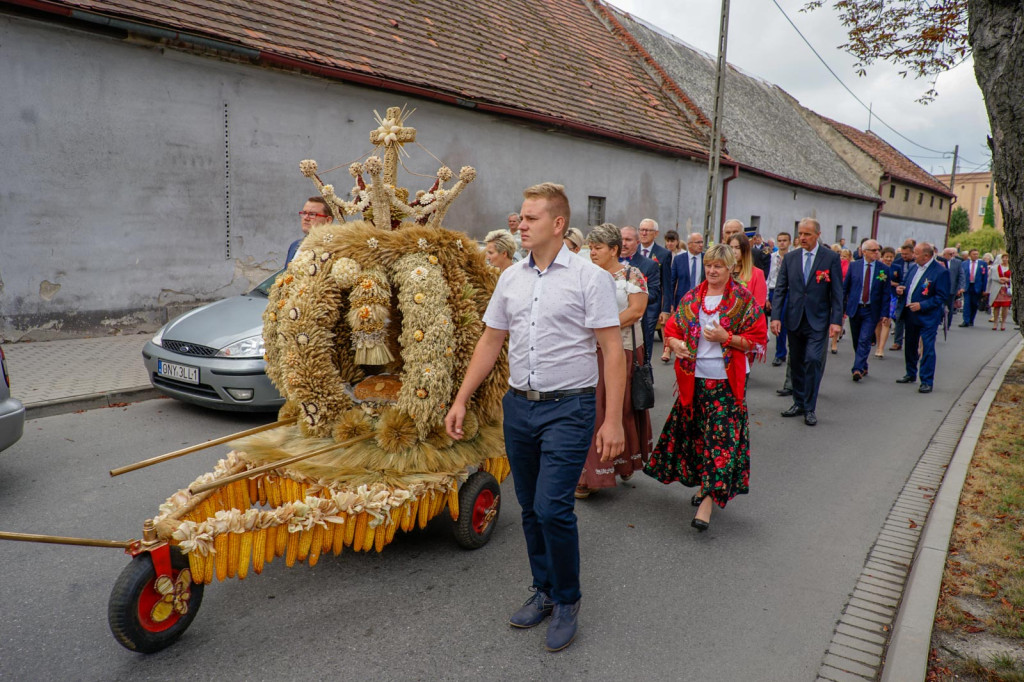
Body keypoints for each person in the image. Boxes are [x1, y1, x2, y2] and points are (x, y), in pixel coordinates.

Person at [444, 183, 625, 653]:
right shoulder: (512, 279)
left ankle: (568, 599)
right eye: (519, 218)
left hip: (570, 407)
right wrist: (462, 398)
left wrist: (613, 421)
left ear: (558, 224)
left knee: (552, 508)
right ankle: (544, 589)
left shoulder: (590, 279)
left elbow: (612, 349)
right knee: (528, 507)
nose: (519, 225)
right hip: (518, 405)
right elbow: (490, 341)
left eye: (529, 219)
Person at [645, 244, 767, 532]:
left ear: (730, 269)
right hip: (694, 380)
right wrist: (675, 344)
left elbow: (757, 338)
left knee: (721, 443)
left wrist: (728, 337)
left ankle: (707, 503)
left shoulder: (743, 298)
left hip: (726, 384)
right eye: (709, 266)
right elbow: (673, 329)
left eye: (719, 267)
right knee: (700, 438)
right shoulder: (693, 296)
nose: (712, 271)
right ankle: (705, 486)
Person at [575, 224, 652, 498]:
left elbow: (636, 311)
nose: (592, 252)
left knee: (621, 409)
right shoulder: (587, 275)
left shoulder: (632, 274)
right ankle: (592, 474)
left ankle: (621, 461)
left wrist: (601, 326)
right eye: (590, 247)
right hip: (592, 351)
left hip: (625, 349)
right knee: (596, 410)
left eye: (598, 248)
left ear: (614, 250)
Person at [770, 218, 844, 427]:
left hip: (818, 320)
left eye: (807, 234)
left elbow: (837, 291)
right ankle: (798, 402)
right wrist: (776, 317)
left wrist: (836, 320)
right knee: (796, 362)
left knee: (812, 360)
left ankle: (810, 407)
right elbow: (781, 289)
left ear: (817, 235)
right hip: (794, 319)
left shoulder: (829, 258)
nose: (802, 238)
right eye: (800, 234)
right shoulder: (791, 258)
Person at [895, 242, 950, 393]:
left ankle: (926, 380)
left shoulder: (940, 272)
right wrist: (901, 290)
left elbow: (941, 296)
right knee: (910, 345)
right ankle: (910, 372)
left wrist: (922, 305)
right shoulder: (914, 268)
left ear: (926, 256)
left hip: (928, 316)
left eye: (916, 253)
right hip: (910, 313)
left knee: (927, 347)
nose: (913, 256)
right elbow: (907, 285)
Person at [842, 240, 888, 381]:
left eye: (878, 250)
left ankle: (857, 368)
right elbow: (846, 288)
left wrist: (885, 313)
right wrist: (841, 308)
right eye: (873, 250)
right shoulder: (854, 266)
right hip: (855, 308)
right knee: (856, 339)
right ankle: (863, 364)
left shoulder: (883, 269)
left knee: (864, 339)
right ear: (864, 252)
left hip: (871, 310)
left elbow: (886, 293)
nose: (876, 253)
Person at [621, 225, 661, 364]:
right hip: (614, 320)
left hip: (638, 321)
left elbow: (654, 292)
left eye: (628, 240)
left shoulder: (648, 265)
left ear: (637, 242)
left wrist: (633, 300)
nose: (623, 243)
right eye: (621, 239)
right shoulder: (609, 262)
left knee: (639, 362)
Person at [662, 232, 705, 362]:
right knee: (677, 326)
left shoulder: (706, 258)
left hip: (701, 299)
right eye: (698, 242)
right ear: (690, 244)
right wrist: (669, 303)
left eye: (702, 242)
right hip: (682, 300)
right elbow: (671, 282)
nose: (701, 245)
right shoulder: (679, 259)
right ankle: (669, 349)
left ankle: (693, 351)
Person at [638, 218, 673, 360]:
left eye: (648, 230)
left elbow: (667, 284)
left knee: (646, 339)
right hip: (633, 302)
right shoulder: (633, 251)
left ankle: (645, 370)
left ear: (656, 233)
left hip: (652, 305)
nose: (644, 233)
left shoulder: (663, 254)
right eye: (641, 230)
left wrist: (665, 310)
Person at [767, 231, 791, 366]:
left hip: (788, 291)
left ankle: (783, 352)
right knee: (777, 321)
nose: (782, 243)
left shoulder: (793, 257)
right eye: (780, 240)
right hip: (774, 290)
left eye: (785, 240)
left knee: (785, 321)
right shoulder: (771, 258)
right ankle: (780, 353)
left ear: (789, 242)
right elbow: (767, 277)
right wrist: (766, 297)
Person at [287, 197, 333, 266]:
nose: (306, 218)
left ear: (328, 220)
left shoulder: (333, 248)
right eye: (304, 213)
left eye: (312, 214)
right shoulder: (294, 246)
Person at [728, 233, 767, 307]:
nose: (733, 251)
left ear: (745, 250)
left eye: (737, 248)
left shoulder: (757, 273)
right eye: (731, 248)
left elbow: (759, 305)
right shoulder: (724, 272)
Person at [890, 242, 917, 350]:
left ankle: (912, 343)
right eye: (902, 254)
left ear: (912, 253)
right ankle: (897, 342)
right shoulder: (898, 263)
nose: (904, 256)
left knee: (912, 319)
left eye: (906, 254)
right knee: (899, 317)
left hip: (913, 293)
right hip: (901, 293)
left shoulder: (916, 264)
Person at [874, 247, 899, 358]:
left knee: (886, 321)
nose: (889, 259)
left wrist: (894, 283)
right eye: (887, 256)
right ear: (882, 257)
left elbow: (901, 281)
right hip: (879, 297)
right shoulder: (879, 267)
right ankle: (878, 343)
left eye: (891, 257)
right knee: (878, 322)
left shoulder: (896, 268)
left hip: (892, 297)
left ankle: (881, 348)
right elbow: (877, 281)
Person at [829, 248, 854, 354]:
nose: (842, 258)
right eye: (841, 255)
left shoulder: (851, 266)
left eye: (845, 256)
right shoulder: (835, 264)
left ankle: (834, 342)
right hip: (831, 292)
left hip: (843, 294)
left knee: (837, 317)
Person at [960, 249, 988, 327]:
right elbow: (961, 276)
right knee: (967, 303)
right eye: (974, 254)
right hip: (967, 286)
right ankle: (965, 320)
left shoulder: (982, 264)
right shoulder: (964, 263)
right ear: (970, 255)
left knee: (974, 304)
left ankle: (971, 319)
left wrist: (984, 289)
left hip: (977, 286)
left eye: (977, 254)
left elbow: (985, 277)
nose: (975, 256)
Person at [942, 247, 967, 329]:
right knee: (940, 306)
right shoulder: (940, 262)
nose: (951, 255)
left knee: (950, 307)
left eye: (952, 254)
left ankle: (947, 324)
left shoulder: (957, 262)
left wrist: (961, 287)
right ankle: (939, 320)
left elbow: (961, 275)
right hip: (941, 288)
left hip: (952, 289)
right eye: (949, 254)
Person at [991, 253, 1012, 330]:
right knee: (996, 306)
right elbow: (992, 277)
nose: (1005, 259)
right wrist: (999, 279)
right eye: (1003, 258)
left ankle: (1003, 322)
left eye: (1007, 258)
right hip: (998, 288)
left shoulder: (1011, 267)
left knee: (1005, 306)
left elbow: (1014, 278)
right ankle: (995, 322)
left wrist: (1008, 280)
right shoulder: (996, 267)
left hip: (1006, 289)